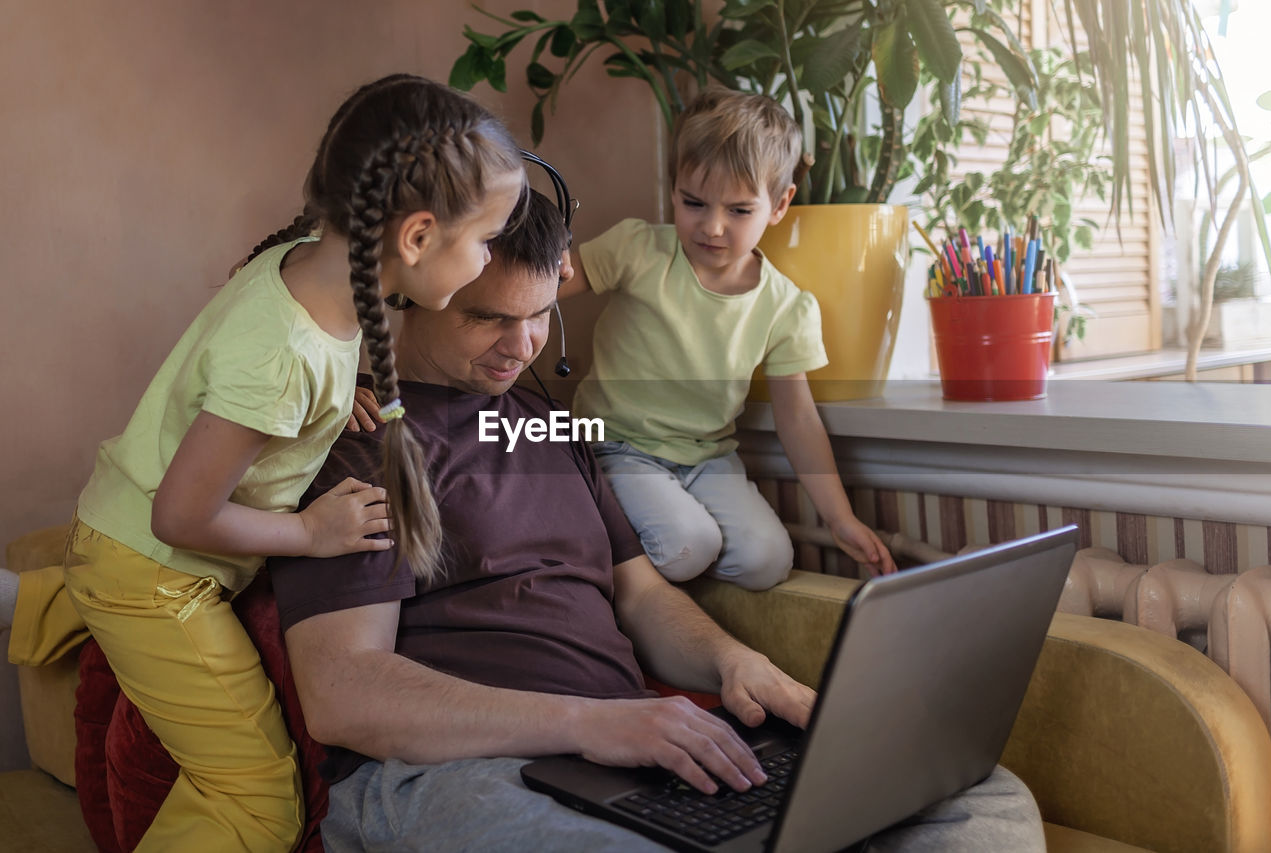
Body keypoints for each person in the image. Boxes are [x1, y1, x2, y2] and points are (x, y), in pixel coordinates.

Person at [269, 190, 1044, 852]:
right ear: (413, 286)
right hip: (450, 776)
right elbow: (346, 692)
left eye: (541, 315)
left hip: (619, 757)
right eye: (490, 319)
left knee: (974, 790)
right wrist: (587, 723)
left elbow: (639, 595)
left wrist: (737, 662)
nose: (523, 345)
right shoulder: (360, 439)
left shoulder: (540, 422)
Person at [1, 74, 526, 852]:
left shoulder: (306, 264)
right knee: (259, 801)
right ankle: (62, 593)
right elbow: (179, 516)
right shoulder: (284, 354)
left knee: (104, 575)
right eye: (485, 240)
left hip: (118, 534)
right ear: (415, 238)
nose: (487, 260)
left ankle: (34, 598)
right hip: (157, 569)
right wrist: (312, 533)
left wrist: (333, 388)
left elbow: (285, 369)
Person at [557, 88, 896, 591]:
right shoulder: (637, 248)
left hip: (708, 457)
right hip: (617, 445)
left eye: (739, 211)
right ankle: (609, 557)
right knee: (688, 545)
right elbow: (548, 286)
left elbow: (798, 419)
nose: (712, 226)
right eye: (693, 203)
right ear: (672, 189)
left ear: (779, 205)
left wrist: (840, 517)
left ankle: (660, 582)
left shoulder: (785, 306)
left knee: (767, 562)